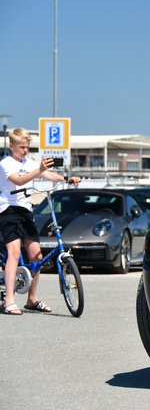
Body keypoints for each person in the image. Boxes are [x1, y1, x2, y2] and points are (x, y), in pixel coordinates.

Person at [1, 128, 80, 315]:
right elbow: (18, 181)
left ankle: (32, 299)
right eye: (21, 147)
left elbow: (47, 175)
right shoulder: (6, 163)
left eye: (27, 147)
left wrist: (66, 179)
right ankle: (9, 300)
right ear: (11, 146)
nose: (25, 150)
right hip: (7, 210)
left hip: (26, 211)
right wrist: (39, 170)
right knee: (13, 252)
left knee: (36, 256)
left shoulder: (29, 163)